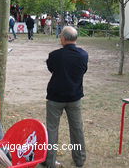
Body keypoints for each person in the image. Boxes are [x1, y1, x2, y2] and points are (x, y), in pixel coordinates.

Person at [45, 26, 88, 168]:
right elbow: (83, 71)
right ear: (75, 39)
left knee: (52, 129)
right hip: (74, 96)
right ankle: (80, 159)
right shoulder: (83, 55)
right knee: (77, 128)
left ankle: (50, 161)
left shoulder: (54, 55)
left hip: (55, 96)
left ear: (63, 38)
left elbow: (52, 69)